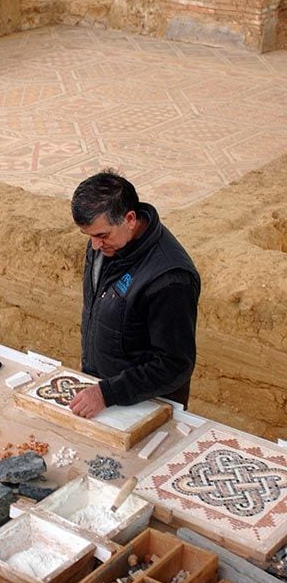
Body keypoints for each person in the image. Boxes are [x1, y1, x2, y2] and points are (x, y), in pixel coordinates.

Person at [69, 169, 200, 419]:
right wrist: (92, 366)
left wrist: (107, 393)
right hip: (106, 396)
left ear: (130, 218)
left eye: (101, 235)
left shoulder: (169, 279)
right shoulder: (105, 245)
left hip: (148, 406)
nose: (94, 245)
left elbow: (175, 365)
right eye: (89, 236)